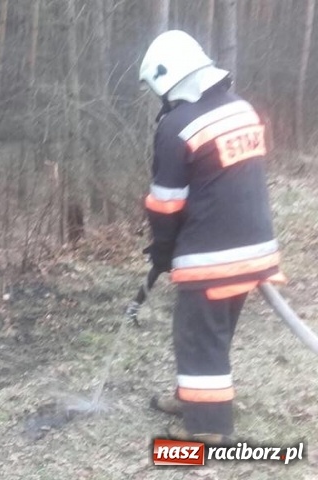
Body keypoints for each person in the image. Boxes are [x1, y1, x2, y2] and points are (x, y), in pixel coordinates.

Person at [138, 31, 282, 443]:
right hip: (256, 248)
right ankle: (195, 399)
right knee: (212, 334)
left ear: (169, 80)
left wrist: (162, 249)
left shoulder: (177, 126)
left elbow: (166, 202)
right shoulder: (242, 108)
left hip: (211, 256)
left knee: (198, 335)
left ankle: (206, 431)